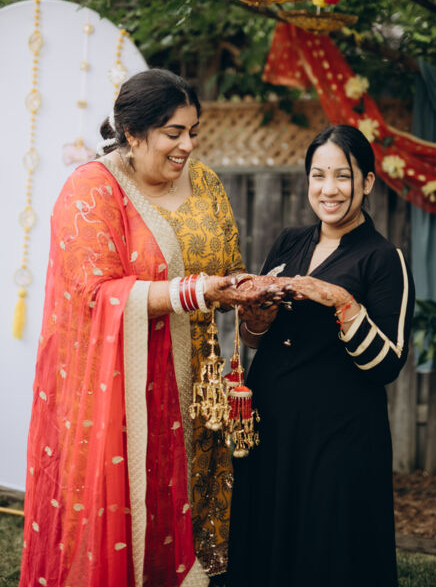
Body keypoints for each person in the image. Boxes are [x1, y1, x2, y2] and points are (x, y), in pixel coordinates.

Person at [19, 68, 283, 587]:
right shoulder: (92, 189)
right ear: (133, 133)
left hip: (198, 394)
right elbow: (97, 294)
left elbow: (227, 271)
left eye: (193, 131)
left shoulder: (205, 182)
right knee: (131, 520)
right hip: (123, 399)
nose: (188, 145)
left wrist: (252, 299)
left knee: (193, 521)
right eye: (173, 132)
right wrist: (198, 291)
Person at [227, 124, 415, 587]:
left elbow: (388, 364)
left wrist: (342, 302)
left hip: (338, 430)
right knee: (267, 534)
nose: (328, 189)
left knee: (324, 543)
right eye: (318, 175)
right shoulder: (289, 242)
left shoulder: (382, 258)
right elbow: (255, 339)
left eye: (342, 176)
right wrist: (257, 316)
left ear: (367, 182)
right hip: (272, 421)